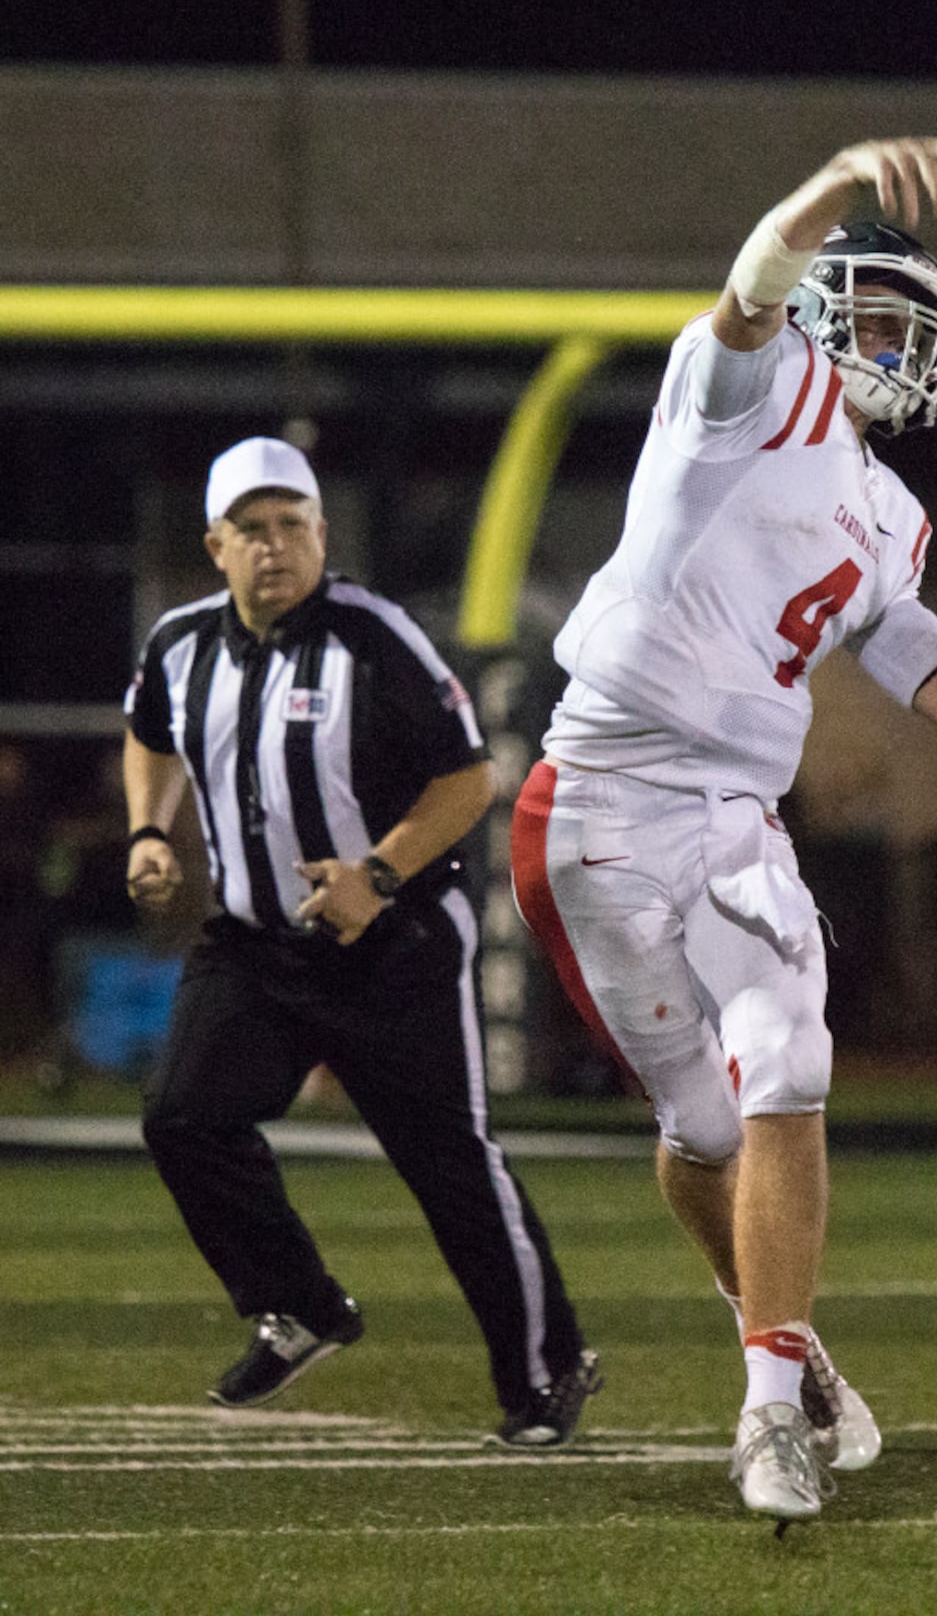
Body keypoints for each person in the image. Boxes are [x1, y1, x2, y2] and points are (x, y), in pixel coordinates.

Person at [510, 135, 937, 1525]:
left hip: (732, 815)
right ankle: (791, 1349)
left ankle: (763, 1409)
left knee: (788, 1064)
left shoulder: (893, 517)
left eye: (901, 332)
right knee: (696, 1127)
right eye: (865, 314)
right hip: (597, 798)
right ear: (816, 310)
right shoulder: (747, 389)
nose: (885, 346)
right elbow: (749, 282)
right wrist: (841, 177)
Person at [123, 435, 600, 1446]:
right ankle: (300, 1307)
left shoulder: (373, 637)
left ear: (321, 534)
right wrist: (150, 829)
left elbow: (466, 779)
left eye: (290, 524)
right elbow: (151, 730)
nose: (273, 546)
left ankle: (548, 1370)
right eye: (250, 530)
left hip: (395, 940)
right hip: (255, 943)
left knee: (448, 1164)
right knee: (184, 1121)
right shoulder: (181, 643)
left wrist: (376, 874)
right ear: (215, 545)